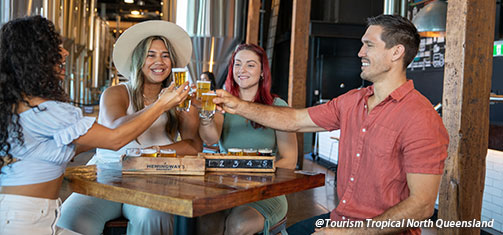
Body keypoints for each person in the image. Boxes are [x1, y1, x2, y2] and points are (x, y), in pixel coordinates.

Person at [213, 15, 449, 235]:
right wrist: (237, 105)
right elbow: (293, 120)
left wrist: (351, 233)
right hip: (339, 220)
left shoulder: (421, 117)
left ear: (396, 52)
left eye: (369, 45)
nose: (360, 53)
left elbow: (422, 206)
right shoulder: (352, 101)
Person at [0, 16, 189, 235]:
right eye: (55, 48)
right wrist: (161, 105)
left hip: (29, 215)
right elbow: (114, 139)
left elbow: (73, 145)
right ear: (33, 59)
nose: (66, 53)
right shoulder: (48, 112)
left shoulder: (19, 106)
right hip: (23, 221)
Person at [57, 20, 201, 235]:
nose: (158, 61)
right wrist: (160, 105)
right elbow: (116, 129)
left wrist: (155, 152)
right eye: (150, 55)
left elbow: (194, 144)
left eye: (165, 55)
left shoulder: (181, 99)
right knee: (72, 219)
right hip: (106, 177)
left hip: (152, 179)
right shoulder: (116, 93)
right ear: (138, 59)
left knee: (154, 217)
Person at [197, 44, 298, 235]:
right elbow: (210, 138)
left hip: (266, 191)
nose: (242, 70)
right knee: (206, 222)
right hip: (227, 189)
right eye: (237, 64)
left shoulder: (278, 107)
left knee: (238, 225)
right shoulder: (223, 103)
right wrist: (206, 113)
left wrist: (253, 176)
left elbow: (290, 161)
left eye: (250, 65)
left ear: (262, 72)